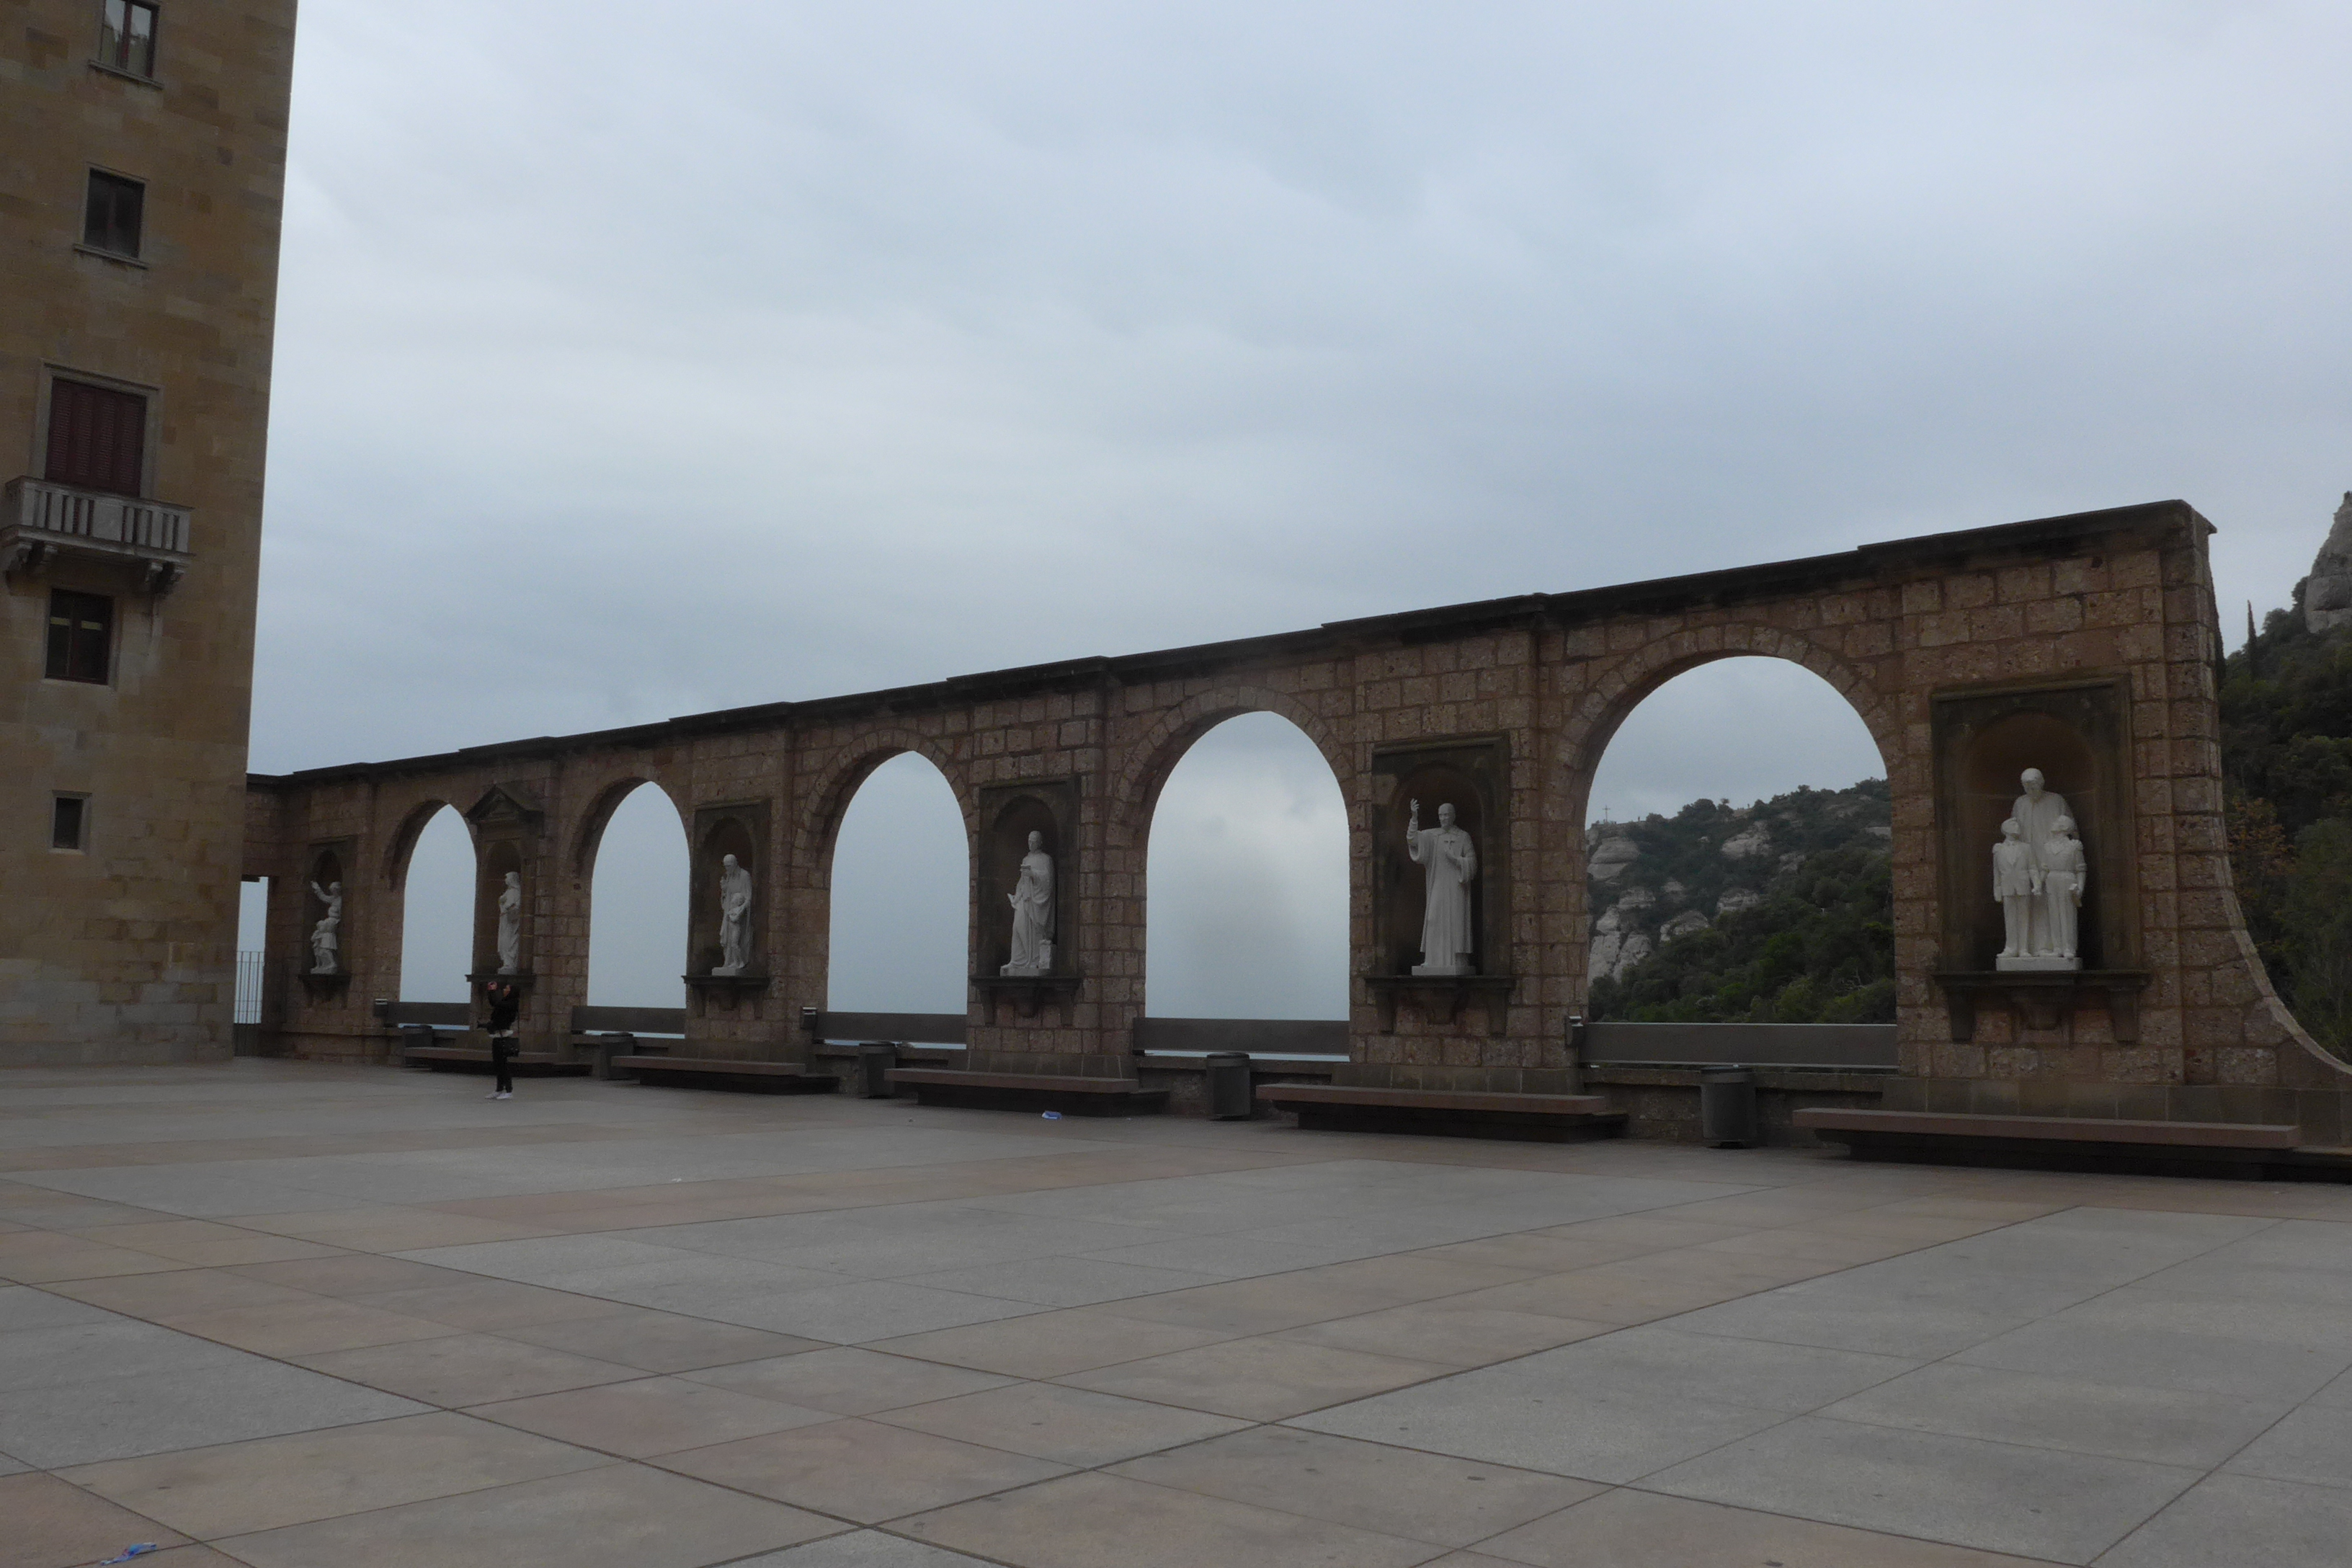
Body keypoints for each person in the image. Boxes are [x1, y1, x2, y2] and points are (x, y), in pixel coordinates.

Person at [1406, 800, 1478, 975]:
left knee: (1455, 921)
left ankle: (1457, 959)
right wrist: (1414, 818)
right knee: (1433, 919)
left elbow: (1473, 863)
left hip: (1456, 886)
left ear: (1453, 816)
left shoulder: (1463, 836)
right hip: (1438, 883)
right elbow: (1412, 839)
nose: (1444, 818)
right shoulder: (1432, 835)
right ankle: (1433, 959)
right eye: (1441, 815)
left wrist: (1456, 860)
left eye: (1447, 815)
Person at [1001, 831, 1054, 976]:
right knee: (1017, 927)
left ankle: (1034, 961)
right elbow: (1021, 882)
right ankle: (1017, 960)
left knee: (1031, 930)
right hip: (1024, 899)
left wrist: (1033, 875)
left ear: (1040, 842)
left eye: (1034, 842)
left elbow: (1048, 881)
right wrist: (1016, 897)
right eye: (1029, 841)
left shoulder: (1046, 859)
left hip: (1036, 901)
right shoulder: (1026, 859)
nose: (1031, 844)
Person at [2040, 816, 2088, 959]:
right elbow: (2045, 867)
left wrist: (2080, 888)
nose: (2053, 823)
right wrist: (2038, 884)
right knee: (2054, 914)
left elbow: (2080, 869)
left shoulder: (2074, 845)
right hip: (2052, 879)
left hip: (2067, 878)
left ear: (2064, 827)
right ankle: (2057, 947)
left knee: (2067, 914)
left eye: (2057, 822)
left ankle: (2069, 947)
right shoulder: (2047, 846)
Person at [1992, 818, 2038, 959]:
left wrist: (2036, 884)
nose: (2017, 827)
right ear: (2006, 829)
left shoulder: (2026, 847)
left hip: (2023, 885)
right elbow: (1996, 872)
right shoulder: (1999, 849)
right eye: (2014, 825)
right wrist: (1997, 890)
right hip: (2007, 886)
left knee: (2024, 917)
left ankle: (2024, 948)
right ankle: (2010, 947)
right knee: (2010, 918)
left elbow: (2032, 867)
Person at [483, 979, 520, 1100]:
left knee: (503, 1065)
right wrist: (491, 992)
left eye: (506, 989)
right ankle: (499, 1089)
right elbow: (495, 1003)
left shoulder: (512, 1003)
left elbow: (498, 1003)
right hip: (497, 1035)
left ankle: (509, 1090)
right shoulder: (505, 1001)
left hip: (504, 1036)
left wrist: (494, 992)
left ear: (511, 992)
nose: (504, 990)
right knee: (497, 1064)